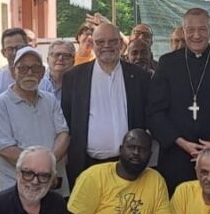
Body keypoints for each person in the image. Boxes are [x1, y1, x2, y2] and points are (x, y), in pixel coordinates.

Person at [148, 7, 210, 193]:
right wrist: (181, 142)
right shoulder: (168, 63)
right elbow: (155, 112)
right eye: (190, 30)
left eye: (202, 29)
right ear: (183, 31)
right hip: (178, 156)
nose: (196, 35)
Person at [61, 22, 152, 186]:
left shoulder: (140, 77)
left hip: (130, 167)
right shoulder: (73, 78)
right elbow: (66, 121)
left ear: (120, 43)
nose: (106, 46)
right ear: (93, 44)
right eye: (100, 42)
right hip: (86, 166)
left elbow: (148, 117)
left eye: (112, 41)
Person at [0, 46, 70, 192]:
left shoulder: (50, 100)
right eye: (23, 68)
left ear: (42, 73)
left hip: (53, 188)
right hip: (18, 189)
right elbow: (5, 148)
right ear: (14, 72)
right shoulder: (1, 104)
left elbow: (63, 135)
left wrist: (48, 165)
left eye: (35, 68)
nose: (29, 73)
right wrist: (43, 169)